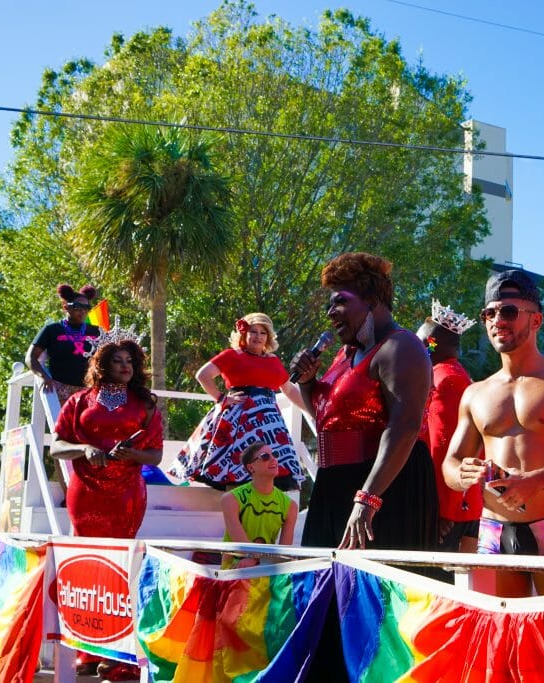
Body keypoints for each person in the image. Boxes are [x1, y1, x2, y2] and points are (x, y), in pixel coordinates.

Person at [290, 252, 437, 683]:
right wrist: (307, 384)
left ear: (372, 300)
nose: (332, 313)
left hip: (383, 491)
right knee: (328, 605)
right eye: (330, 305)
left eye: (341, 301)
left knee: (375, 613)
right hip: (336, 487)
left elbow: (405, 426)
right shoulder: (343, 356)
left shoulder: (401, 346)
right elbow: (330, 425)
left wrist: (367, 499)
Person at [443, 271, 544, 597]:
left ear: (536, 320)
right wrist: (463, 473)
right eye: (490, 313)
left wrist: (535, 481)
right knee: (502, 642)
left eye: (509, 311)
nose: (498, 320)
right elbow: (451, 464)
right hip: (492, 534)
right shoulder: (475, 393)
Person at [51, 336, 162, 681]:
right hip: (86, 493)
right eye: (118, 360)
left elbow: (156, 455)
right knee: (87, 569)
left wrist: (133, 456)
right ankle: (87, 649)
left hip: (126, 493)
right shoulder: (78, 401)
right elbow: (57, 447)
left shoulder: (145, 403)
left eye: (130, 360)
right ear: (102, 365)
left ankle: (121, 657)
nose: (126, 366)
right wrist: (84, 449)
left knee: (121, 570)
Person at [168, 313, 306, 491]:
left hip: (269, 425)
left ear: (268, 337)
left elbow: (290, 390)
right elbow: (203, 375)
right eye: (253, 331)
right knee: (235, 470)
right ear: (244, 334)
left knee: (269, 472)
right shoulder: (232, 355)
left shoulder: (273, 361)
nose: (257, 336)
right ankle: (235, 513)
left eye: (262, 333)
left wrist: (313, 412)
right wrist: (221, 398)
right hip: (238, 421)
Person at [417, 300, 481, 555]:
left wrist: (444, 509)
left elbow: (446, 448)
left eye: (426, 343)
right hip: (460, 504)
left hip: (451, 510)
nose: (420, 348)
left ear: (444, 344)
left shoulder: (445, 379)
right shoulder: (453, 375)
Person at [220, 441, 298, 569]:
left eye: (274, 454)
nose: (273, 459)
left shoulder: (290, 506)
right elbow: (243, 547)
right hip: (233, 574)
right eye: (265, 456)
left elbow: (284, 554)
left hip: (266, 574)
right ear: (251, 468)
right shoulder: (231, 499)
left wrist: (257, 561)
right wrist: (256, 559)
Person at [26, 284, 102, 407]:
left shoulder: (97, 331)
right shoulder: (52, 330)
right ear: (65, 306)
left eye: (86, 307)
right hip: (60, 389)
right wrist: (44, 377)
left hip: (89, 389)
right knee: (65, 424)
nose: (82, 311)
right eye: (77, 306)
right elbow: (31, 358)